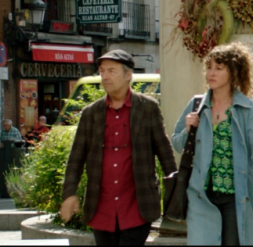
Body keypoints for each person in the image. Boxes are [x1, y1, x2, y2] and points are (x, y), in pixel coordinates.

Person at [60, 50, 177, 246]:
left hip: (137, 206)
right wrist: (69, 194)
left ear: (128, 75)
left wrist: (175, 194)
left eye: (111, 71)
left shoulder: (147, 108)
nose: (105, 76)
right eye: (102, 71)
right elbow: (76, 159)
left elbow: (164, 153)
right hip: (101, 208)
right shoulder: (91, 113)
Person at [173, 42, 253, 245]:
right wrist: (188, 128)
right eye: (209, 67)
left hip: (236, 198)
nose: (211, 73)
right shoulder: (196, 105)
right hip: (202, 197)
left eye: (219, 68)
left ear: (233, 72)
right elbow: (177, 144)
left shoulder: (247, 109)